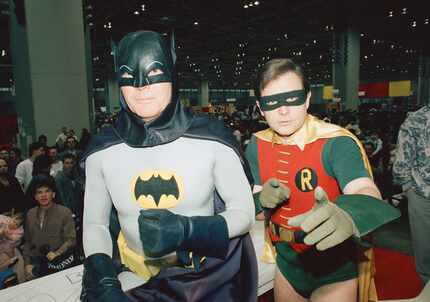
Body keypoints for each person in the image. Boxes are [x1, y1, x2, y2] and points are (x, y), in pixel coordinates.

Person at [80, 30, 257, 302]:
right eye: (129, 77)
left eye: (154, 73)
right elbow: (95, 224)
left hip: (204, 276)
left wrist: (188, 230)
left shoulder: (212, 139)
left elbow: (243, 213)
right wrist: (104, 280)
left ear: (172, 74)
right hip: (132, 276)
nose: (141, 87)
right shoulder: (102, 151)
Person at [245, 58, 400, 302]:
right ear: (260, 107)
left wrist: (350, 213)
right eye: (272, 102)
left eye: (292, 98)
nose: (283, 111)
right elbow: (256, 212)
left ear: (307, 99)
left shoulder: (336, 142)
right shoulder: (257, 144)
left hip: (335, 266)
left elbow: (364, 187)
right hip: (286, 261)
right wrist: (259, 201)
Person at [392, 104, 430, 285]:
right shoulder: (416, 120)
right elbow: (402, 158)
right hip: (422, 195)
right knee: (424, 250)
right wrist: (408, 187)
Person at [23, 175, 76, 280]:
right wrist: (27, 264)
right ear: (35, 197)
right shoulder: (30, 214)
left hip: (59, 262)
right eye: (39, 192)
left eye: (47, 191)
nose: (43, 195)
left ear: (53, 194)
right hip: (37, 263)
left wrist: (57, 253)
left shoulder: (64, 212)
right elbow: (27, 242)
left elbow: (71, 239)